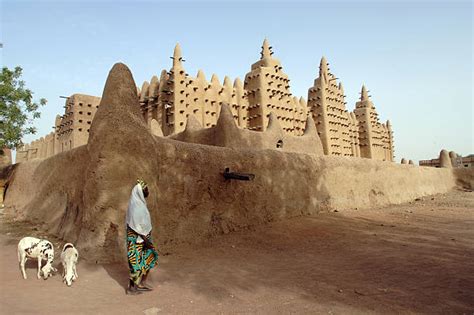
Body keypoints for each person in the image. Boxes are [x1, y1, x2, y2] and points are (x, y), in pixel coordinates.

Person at [125, 179, 158, 295]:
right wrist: (146, 240)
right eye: (146, 190)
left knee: (148, 259)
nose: (148, 191)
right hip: (137, 240)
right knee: (136, 263)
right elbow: (136, 226)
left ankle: (141, 283)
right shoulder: (136, 207)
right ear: (140, 192)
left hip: (143, 239)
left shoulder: (139, 203)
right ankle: (132, 288)